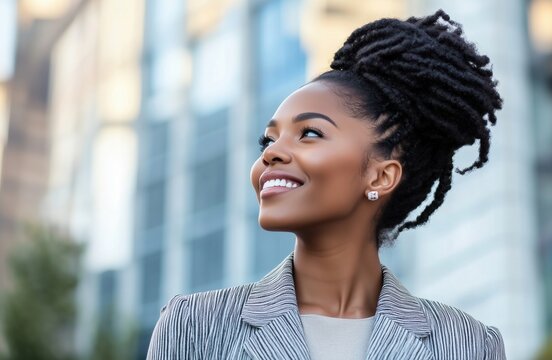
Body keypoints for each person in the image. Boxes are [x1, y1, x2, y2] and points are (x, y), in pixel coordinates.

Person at [147, 9, 507, 360]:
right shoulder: (195, 326)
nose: (271, 154)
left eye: (309, 133)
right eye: (268, 141)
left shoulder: (468, 345)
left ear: (381, 176)